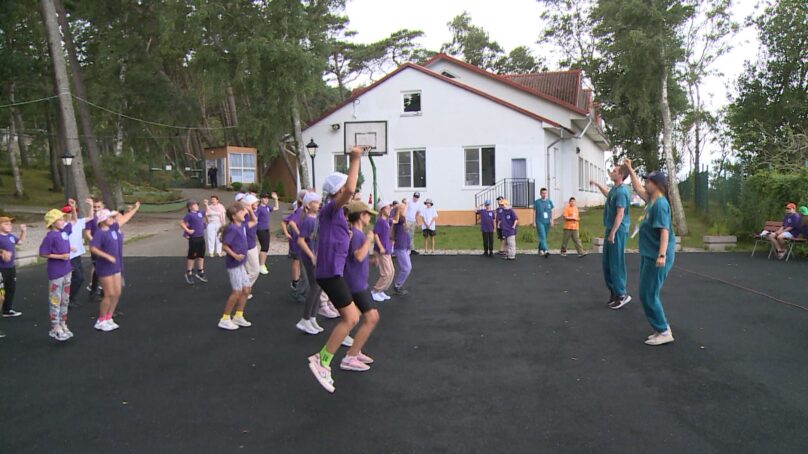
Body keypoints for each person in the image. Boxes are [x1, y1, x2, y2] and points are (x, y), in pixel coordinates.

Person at [307, 146, 363, 393]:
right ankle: (322, 360)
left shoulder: (338, 215)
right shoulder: (331, 209)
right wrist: (355, 159)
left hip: (332, 272)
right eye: (346, 190)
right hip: (329, 272)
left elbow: (352, 192)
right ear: (338, 192)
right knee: (350, 318)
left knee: (353, 317)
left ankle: (325, 359)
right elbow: (351, 188)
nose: (350, 193)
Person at [624, 159, 676, 345]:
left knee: (648, 293)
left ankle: (663, 331)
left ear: (657, 185)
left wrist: (661, 255)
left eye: (648, 181)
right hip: (649, 254)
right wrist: (630, 169)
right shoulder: (651, 201)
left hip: (657, 256)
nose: (645, 183)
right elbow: (638, 188)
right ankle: (660, 328)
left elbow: (664, 231)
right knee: (646, 292)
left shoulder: (660, 204)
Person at [340, 200, 381, 372]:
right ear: (361, 216)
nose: (369, 219)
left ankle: (354, 352)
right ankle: (350, 357)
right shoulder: (357, 235)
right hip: (356, 285)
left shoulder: (356, 234)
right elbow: (357, 255)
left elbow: (356, 258)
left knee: (356, 318)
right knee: (372, 318)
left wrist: (370, 260)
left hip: (357, 282)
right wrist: (370, 240)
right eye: (368, 215)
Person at [591, 164, 632, 310]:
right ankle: (614, 292)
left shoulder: (622, 192)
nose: (612, 172)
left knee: (616, 262)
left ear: (620, 175)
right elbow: (607, 194)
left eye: (614, 171)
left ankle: (622, 294)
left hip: (618, 231)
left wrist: (614, 232)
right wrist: (597, 185)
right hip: (611, 229)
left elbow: (620, 213)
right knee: (607, 263)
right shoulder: (615, 189)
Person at [38, 209, 74, 341]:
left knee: (65, 298)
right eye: (59, 219)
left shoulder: (63, 233)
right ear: (52, 222)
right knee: (55, 299)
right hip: (56, 272)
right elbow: (43, 253)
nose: (62, 221)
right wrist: (60, 256)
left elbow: (71, 221)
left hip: (67, 270)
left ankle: (63, 322)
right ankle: (55, 326)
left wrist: (72, 209)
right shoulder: (50, 236)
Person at [218, 202, 253, 330]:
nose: (244, 213)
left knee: (246, 289)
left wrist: (248, 209)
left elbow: (253, 220)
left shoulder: (240, 225)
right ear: (233, 216)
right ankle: (225, 318)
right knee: (237, 291)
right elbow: (225, 246)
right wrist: (235, 255)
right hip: (234, 265)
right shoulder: (232, 228)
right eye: (241, 212)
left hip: (241, 264)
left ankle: (238, 315)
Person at [294, 192, 324, 335]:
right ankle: (305, 319)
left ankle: (312, 318)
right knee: (315, 287)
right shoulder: (308, 221)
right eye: (316, 202)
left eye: (319, 202)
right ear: (308, 205)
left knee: (319, 288)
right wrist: (312, 255)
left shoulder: (315, 219)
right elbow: (301, 240)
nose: (319, 204)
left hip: (317, 256)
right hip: (310, 258)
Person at [65, 198, 94, 308]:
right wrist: (72, 207)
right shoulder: (63, 226)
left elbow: (90, 217)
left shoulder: (77, 223)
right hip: (69, 256)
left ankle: (71, 298)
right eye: (67, 213)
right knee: (78, 277)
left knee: (79, 278)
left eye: (72, 212)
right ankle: (68, 299)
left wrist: (91, 206)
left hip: (77, 255)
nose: (71, 214)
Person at [282, 190, 308, 296]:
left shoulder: (302, 211)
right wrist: (297, 234)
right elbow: (291, 223)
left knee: (298, 261)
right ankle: (296, 282)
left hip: (299, 240)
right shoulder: (300, 211)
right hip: (297, 242)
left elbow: (285, 221)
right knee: (297, 261)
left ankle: (297, 282)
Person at [0, 215, 26, 318]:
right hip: (1, 269)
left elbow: (20, 242)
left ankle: (7, 310)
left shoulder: (10, 236)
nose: (9, 226)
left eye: (10, 224)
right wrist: (2, 253)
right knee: (1, 294)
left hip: (11, 267)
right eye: (6, 224)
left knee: (10, 288)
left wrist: (23, 231)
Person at [180, 200, 208, 285]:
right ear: (190, 207)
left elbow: (206, 212)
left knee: (201, 255)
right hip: (194, 238)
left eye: (197, 205)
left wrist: (206, 204)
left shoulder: (199, 213)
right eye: (195, 205)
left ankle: (200, 271)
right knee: (192, 256)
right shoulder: (189, 215)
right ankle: (189, 272)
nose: (197, 206)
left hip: (201, 237)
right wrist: (187, 230)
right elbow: (181, 222)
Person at [371, 201, 394, 302]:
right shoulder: (380, 221)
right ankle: (375, 291)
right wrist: (380, 247)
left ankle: (381, 290)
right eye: (388, 208)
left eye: (390, 208)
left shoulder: (386, 221)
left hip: (387, 249)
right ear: (382, 209)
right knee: (386, 273)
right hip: (382, 251)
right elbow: (375, 234)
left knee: (392, 272)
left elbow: (395, 221)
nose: (390, 209)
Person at [84, 198, 105, 302]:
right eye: (95, 207)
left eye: (98, 207)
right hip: (96, 246)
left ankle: (100, 287)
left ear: (103, 206)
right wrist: (95, 242)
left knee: (103, 266)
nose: (96, 209)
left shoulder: (106, 217)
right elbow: (87, 233)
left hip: (105, 246)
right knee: (98, 266)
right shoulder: (91, 219)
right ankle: (94, 287)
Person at [392, 198, 412, 295]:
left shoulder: (403, 219)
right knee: (406, 268)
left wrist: (409, 246)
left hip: (404, 246)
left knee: (408, 268)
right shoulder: (399, 219)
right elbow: (400, 215)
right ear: (400, 210)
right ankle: (397, 286)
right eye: (403, 208)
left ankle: (398, 285)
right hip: (400, 247)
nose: (406, 210)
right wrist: (405, 204)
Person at [242, 195, 261, 297]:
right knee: (255, 271)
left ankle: (246, 290)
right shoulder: (244, 215)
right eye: (255, 203)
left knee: (249, 271)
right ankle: (243, 288)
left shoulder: (253, 212)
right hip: (247, 246)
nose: (257, 204)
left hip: (251, 244)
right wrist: (247, 210)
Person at [256, 192, 279, 275]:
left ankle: (261, 264)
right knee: (264, 247)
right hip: (260, 229)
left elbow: (276, 208)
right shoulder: (259, 208)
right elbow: (254, 218)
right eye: (264, 198)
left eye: (267, 198)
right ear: (261, 199)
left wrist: (276, 199)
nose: (266, 199)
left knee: (266, 247)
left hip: (266, 229)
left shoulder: (266, 207)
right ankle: (261, 266)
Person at [533, 188, 554, 258]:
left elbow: (552, 211)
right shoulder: (537, 202)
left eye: (545, 193)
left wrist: (552, 220)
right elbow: (534, 212)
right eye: (543, 193)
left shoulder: (549, 202)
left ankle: (540, 249)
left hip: (547, 222)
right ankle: (546, 250)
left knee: (544, 236)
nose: (544, 194)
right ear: (540, 194)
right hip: (539, 221)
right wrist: (534, 222)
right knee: (542, 236)